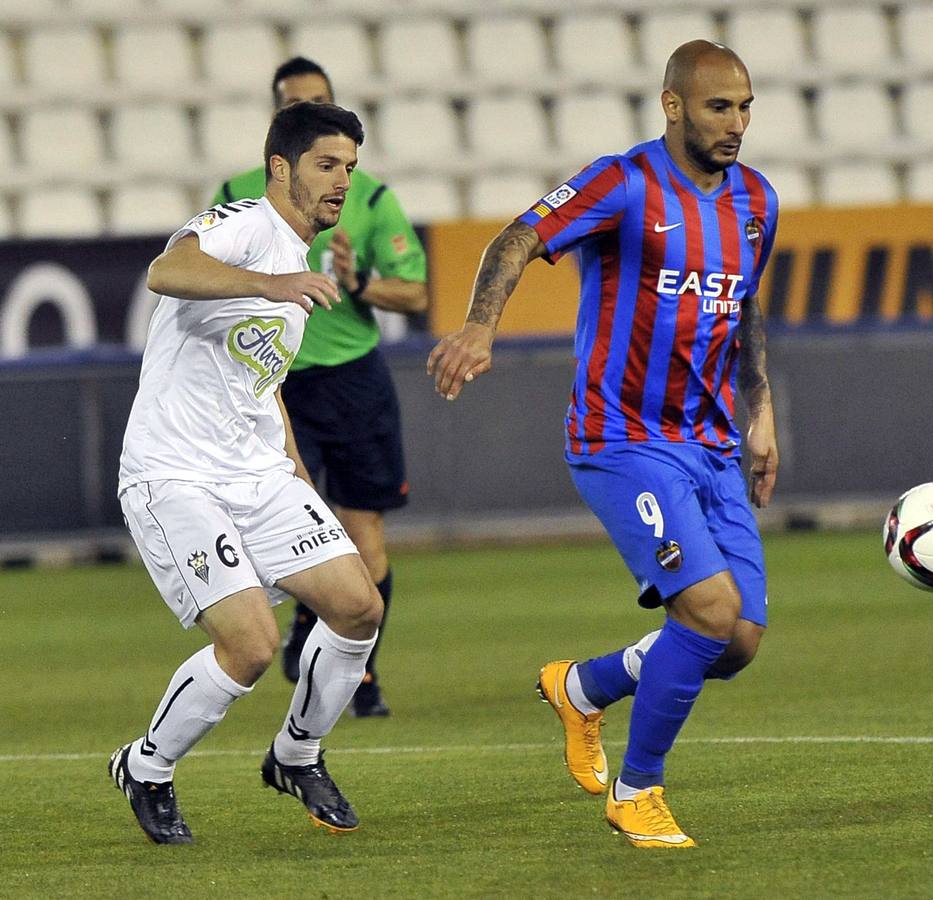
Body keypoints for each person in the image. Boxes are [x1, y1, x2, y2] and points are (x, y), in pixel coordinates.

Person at [428, 41, 780, 849]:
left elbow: (745, 310)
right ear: (673, 106)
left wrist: (759, 413)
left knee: (737, 642)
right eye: (720, 106)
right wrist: (482, 326)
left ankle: (583, 689)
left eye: (746, 106)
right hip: (622, 438)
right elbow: (517, 237)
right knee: (709, 609)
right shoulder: (623, 183)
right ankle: (636, 789)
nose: (737, 123)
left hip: (713, 442)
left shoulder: (756, 201)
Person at [111, 102, 384, 845]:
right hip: (175, 474)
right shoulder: (244, 225)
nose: (341, 182)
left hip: (257, 472)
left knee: (359, 606)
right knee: (253, 645)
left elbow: (258, 385)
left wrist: (295, 475)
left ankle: (296, 755)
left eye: (350, 170)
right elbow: (167, 268)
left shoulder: (303, 263)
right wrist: (267, 287)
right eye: (327, 165)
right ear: (280, 169)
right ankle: (147, 766)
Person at [213, 57, 429, 717]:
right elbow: (207, 277)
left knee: (364, 528)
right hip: (275, 382)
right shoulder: (241, 193)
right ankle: (308, 621)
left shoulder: (364, 195)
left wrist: (358, 280)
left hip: (351, 377)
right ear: (280, 120)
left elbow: (415, 289)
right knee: (282, 523)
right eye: (293, 103)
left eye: (317, 100)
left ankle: (357, 676)